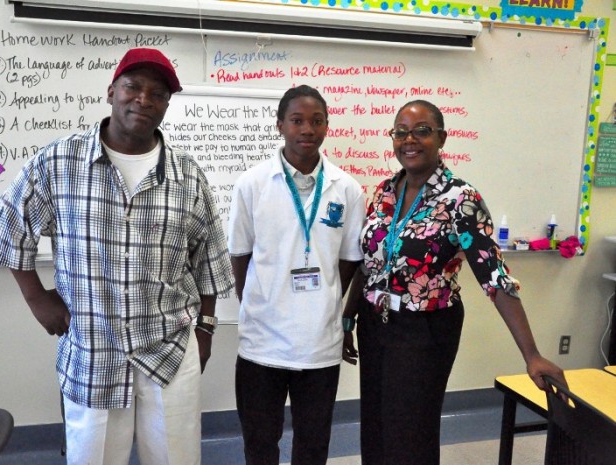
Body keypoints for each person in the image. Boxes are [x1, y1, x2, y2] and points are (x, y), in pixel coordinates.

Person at [0, 48, 234, 465]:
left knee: (177, 458)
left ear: (167, 105)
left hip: (169, 347)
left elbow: (208, 260)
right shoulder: (60, 161)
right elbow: (8, 228)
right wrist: (36, 298)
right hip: (93, 348)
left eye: (158, 93)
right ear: (111, 91)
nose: (144, 100)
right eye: (133, 87)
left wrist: (204, 330)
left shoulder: (188, 174)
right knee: (92, 458)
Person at [341, 99, 567, 465]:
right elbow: (371, 264)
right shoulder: (384, 191)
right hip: (375, 324)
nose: (409, 139)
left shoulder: (461, 199)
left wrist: (532, 354)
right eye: (401, 132)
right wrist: (349, 318)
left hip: (425, 331)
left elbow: (494, 276)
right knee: (377, 424)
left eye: (422, 131)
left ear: (442, 138)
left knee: (411, 432)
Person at [227, 84, 367, 465]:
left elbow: (351, 258)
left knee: (313, 442)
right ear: (280, 126)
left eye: (316, 121)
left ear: (326, 127)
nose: (307, 129)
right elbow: (240, 255)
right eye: (297, 120)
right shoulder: (252, 184)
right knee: (259, 442)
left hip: (319, 343)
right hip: (261, 342)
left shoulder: (348, 190)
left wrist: (320, 295)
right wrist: (264, 298)